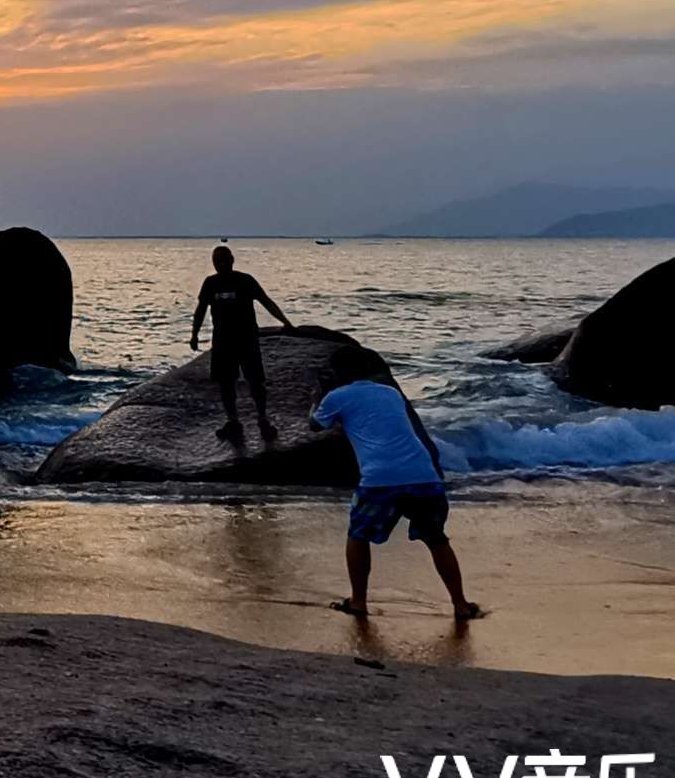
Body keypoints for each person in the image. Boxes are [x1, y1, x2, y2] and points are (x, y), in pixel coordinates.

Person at [309, 349, 481, 622]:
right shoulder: (390, 393)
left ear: (337, 373)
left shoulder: (336, 397)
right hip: (423, 473)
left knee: (358, 536)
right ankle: (460, 604)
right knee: (437, 539)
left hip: (380, 478)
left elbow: (315, 425)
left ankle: (359, 601)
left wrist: (317, 398)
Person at [188, 244, 292, 442]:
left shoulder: (245, 280)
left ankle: (263, 420)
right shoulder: (210, 283)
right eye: (216, 261)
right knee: (225, 383)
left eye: (223, 260)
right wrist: (194, 334)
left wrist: (285, 322)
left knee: (256, 381)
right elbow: (200, 310)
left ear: (232, 260)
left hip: (247, 338)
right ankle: (233, 422)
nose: (220, 264)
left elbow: (266, 301)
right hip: (222, 341)